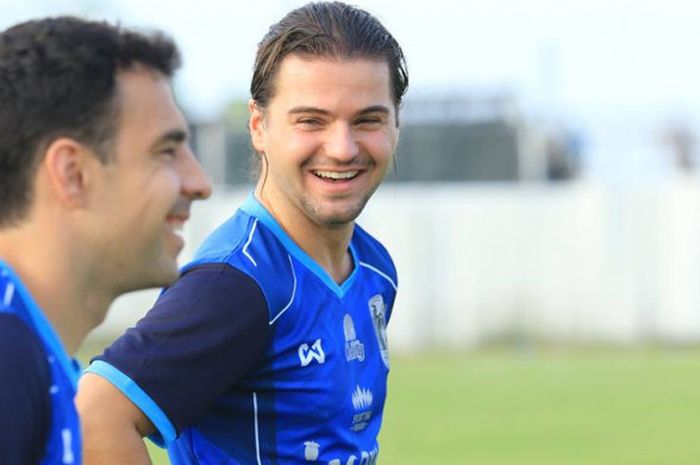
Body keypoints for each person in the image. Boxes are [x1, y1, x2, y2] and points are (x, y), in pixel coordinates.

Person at [77, 2, 408, 464]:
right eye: (311, 120)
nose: (341, 148)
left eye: (367, 120)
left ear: (396, 123)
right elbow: (96, 415)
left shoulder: (374, 267)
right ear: (259, 126)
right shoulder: (237, 283)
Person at [0, 17, 212, 465]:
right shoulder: (8, 357)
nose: (198, 182)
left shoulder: (27, 349)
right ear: (74, 174)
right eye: (165, 151)